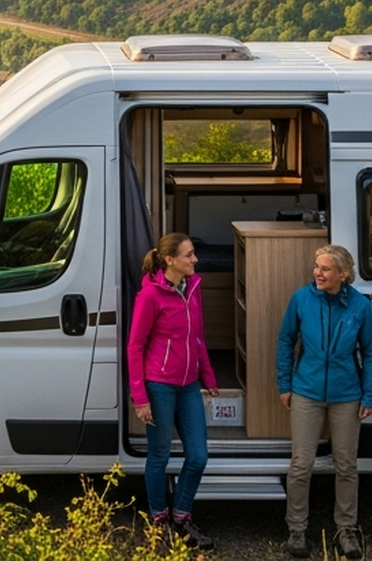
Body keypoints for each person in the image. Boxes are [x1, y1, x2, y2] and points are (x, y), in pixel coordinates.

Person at [276, 244, 372, 559]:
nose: (317, 273)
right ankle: (297, 530)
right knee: (301, 464)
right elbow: (286, 340)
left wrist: (369, 393)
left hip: (347, 394)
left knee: (346, 465)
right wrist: (285, 384)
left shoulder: (361, 306)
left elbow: (371, 352)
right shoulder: (301, 299)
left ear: (343, 274)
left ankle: (346, 530)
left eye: (325, 269)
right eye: (316, 267)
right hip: (306, 391)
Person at [127, 232, 219, 550]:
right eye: (189, 255)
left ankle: (181, 517)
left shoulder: (192, 287)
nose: (195, 259)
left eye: (194, 253)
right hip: (160, 385)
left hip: (189, 384)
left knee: (198, 456)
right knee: (159, 455)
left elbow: (198, 336)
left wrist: (208, 376)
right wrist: (140, 397)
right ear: (170, 260)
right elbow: (135, 346)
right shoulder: (150, 296)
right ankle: (159, 521)